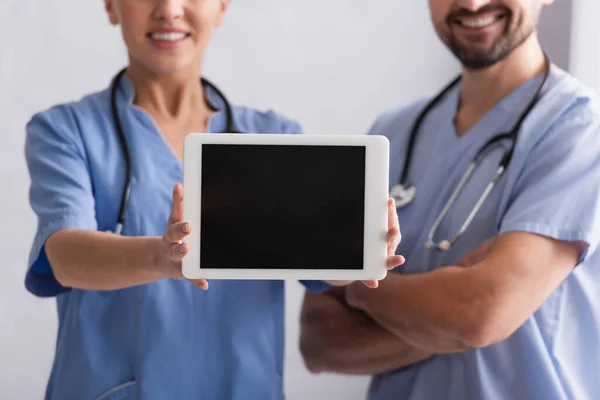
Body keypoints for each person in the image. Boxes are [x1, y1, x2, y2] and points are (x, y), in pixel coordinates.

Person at [23, 1, 404, 399]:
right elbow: (63, 255)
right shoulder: (66, 131)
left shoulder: (275, 138)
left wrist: (362, 251)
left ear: (222, 7)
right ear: (111, 6)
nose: (169, 10)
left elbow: (322, 269)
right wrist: (161, 257)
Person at [299, 1, 600, 399]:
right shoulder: (391, 133)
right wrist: (446, 319)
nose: (472, 4)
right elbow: (320, 341)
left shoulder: (580, 132)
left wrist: (358, 288)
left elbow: (480, 315)